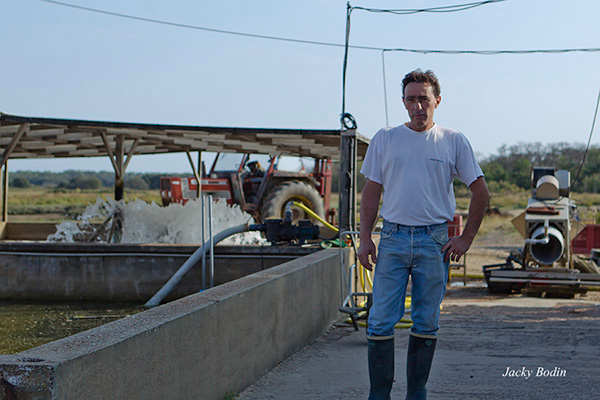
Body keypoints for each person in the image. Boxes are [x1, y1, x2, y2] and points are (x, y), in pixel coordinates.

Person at [357, 69, 489, 400]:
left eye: (424, 99)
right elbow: (371, 192)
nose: (418, 106)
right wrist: (365, 238)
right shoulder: (385, 139)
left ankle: (417, 394)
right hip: (393, 239)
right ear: (403, 102)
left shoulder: (452, 140)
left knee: (427, 321)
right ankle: (379, 395)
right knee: (380, 321)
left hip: (434, 242)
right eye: (412, 99)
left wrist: (466, 238)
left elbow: (481, 191)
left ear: (437, 101)